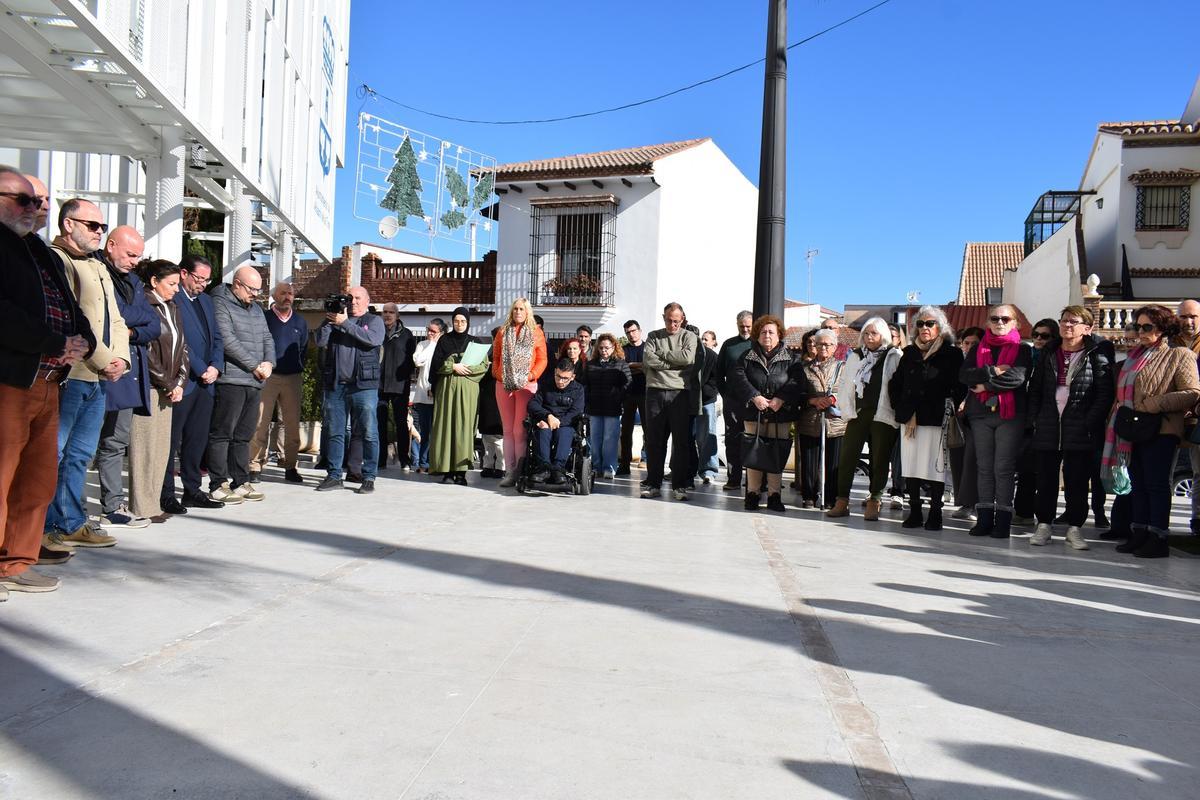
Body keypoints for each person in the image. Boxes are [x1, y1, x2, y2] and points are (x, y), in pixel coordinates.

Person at [0, 167, 93, 595]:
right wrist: (54, 341)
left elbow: (72, 309)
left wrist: (83, 342)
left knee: (36, 480)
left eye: (39, 203)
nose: (35, 210)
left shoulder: (40, 252)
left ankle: (17, 562)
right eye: (24, 200)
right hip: (10, 381)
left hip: (50, 381)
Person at [44, 198, 129, 550]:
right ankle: (46, 526)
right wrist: (105, 358)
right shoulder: (55, 259)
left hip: (97, 378)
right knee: (54, 455)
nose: (99, 232)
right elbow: (72, 318)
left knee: (80, 455)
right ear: (68, 224)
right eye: (92, 225)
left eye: (101, 227)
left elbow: (116, 318)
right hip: (72, 374)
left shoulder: (97, 266)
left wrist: (121, 358)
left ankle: (72, 521)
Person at [1105, 306, 1200, 558]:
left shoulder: (1180, 355)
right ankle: (1139, 533)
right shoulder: (1136, 355)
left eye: (1147, 327)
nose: (1141, 331)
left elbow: (1191, 392)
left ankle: (1158, 537)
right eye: (1138, 326)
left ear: (1163, 328)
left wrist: (1152, 404)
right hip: (1133, 428)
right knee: (1138, 484)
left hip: (1161, 427)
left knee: (1156, 484)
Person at [1026, 306, 1114, 549]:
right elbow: (1035, 388)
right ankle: (1043, 525)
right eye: (1063, 320)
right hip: (1048, 424)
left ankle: (1075, 528)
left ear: (1087, 328)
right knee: (1045, 480)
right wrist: (1034, 418)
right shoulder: (1049, 352)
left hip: (1080, 426)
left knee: (1077, 480)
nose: (1067, 325)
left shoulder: (1096, 353)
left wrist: (1089, 422)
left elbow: (1104, 394)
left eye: (1073, 322)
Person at [95, 225, 156, 529]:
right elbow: (108, 314)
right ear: (111, 245)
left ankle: (112, 505)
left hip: (128, 373)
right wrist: (131, 320)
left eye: (139, 256)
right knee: (83, 444)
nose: (135, 261)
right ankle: (72, 511)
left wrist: (128, 329)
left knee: (116, 442)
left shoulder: (133, 280)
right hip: (97, 370)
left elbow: (153, 323)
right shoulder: (96, 271)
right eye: (131, 254)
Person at [888, 307, 965, 531]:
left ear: (940, 327)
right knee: (911, 467)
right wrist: (899, 406)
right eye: (920, 324)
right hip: (910, 419)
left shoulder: (952, 354)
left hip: (935, 418)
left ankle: (935, 513)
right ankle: (914, 511)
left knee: (934, 468)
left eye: (929, 324)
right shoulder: (910, 352)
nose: (924, 328)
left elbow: (960, 386)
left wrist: (949, 406)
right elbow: (896, 383)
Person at [960, 304, 1033, 539]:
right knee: (984, 468)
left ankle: (1002, 520)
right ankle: (983, 518)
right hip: (980, 414)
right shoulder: (977, 348)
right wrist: (996, 371)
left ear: (1015, 323)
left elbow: (1018, 377)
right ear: (988, 322)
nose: (999, 322)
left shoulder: (1022, 349)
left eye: (1005, 318)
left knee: (1003, 468)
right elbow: (965, 376)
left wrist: (985, 384)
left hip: (1009, 416)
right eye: (995, 318)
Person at [207, 265, 274, 503]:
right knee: (222, 433)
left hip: (254, 381)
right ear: (236, 283)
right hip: (231, 378)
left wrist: (269, 362)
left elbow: (267, 337)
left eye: (259, 290)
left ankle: (240, 480)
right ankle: (218, 483)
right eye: (251, 289)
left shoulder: (255, 308)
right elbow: (227, 340)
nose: (255, 294)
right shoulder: (219, 302)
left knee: (244, 435)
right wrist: (255, 365)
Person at [163, 255, 224, 512]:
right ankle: (165, 494)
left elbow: (218, 337)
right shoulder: (173, 299)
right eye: (200, 279)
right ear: (184, 273)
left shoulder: (207, 302)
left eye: (207, 280)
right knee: (172, 440)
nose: (203, 284)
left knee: (196, 440)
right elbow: (180, 340)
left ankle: (192, 489)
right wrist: (201, 368)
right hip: (184, 380)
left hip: (206, 383)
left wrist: (216, 367)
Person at [129, 260, 189, 522]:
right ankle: (141, 506)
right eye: (171, 284)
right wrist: (167, 382)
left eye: (177, 284)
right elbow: (149, 351)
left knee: (162, 449)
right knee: (144, 448)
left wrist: (180, 382)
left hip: (170, 388)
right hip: (150, 387)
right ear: (154, 281)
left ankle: (154, 504)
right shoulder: (145, 303)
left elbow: (182, 347)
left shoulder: (172, 307)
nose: (176, 289)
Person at [827, 317, 902, 520]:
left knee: (880, 459)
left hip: (883, 414)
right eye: (866, 333)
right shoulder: (856, 355)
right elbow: (845, 384)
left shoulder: (893, 355)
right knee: (848, 457)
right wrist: (844, 408)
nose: (869, 337)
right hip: (858, 413)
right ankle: (842, 501)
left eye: (874, 333)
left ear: (883, 335)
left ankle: (874, 500)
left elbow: (898, 385)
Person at [314, 286, 385, 494]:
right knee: (335, 432)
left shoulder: (374, 321)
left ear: (367, 300)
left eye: (358, 298)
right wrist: (331, 320)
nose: (353, 301)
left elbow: (373, 340)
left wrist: (344, 323)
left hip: (364, 386)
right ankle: (334, 475)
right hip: (337, 385)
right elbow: (319, 340)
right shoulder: (335, 319)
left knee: (369, 432)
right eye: (350, 297)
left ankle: (369, 476)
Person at [731, 315, 802, 512]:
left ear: (779, 334)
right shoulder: (746, 357)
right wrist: (755, 396)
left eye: (771, 332)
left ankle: (774, 495)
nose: (767, 335)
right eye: (763, 332)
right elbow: (738, 378)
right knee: (753, 453)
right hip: (754, 413)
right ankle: (752, 494)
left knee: (776, 454)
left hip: (781, 414)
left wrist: (781, 398)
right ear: (757, 335)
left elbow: (797, 382)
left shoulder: (792, 358)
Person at [249, 282, 308, 483]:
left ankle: (290, 466)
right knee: (260, 422)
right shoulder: (264, 318)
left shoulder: (300, 322)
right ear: (274, 296)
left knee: (291, 424)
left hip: (292, 377)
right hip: (268, 376)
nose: (287, 297)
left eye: (290, 293)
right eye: (283, 293)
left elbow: (304, 349)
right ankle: (255, 466)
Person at [641, 303, 698, 500]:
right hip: (655, 393)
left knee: (681, 443)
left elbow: (688, 358)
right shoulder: (653, 336)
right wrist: (673, 364)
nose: (672, 324)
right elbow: (648, 360)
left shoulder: (689, 336)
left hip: (679, 394)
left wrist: (662, 356)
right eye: (668, 319)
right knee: (654, 442)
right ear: (663, 317)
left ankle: (679, 486)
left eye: (676, 321)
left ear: (682, 320)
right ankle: (653, 484)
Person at [491, 298, 547, 487]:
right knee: (507, 431)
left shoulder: (536, 332)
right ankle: (510, 472)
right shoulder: (502, 331)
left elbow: (542, 359)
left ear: (527, 311)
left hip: (526, 386)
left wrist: (531, 375)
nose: (518, 312)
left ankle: (520, 471)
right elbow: (496, 357)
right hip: (503, 384)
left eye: (521, 309)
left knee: (519, 431)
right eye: (515, 309)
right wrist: (500, 375)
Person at [429, 307, 488, 485]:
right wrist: (453, 367)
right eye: (456, 321)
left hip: (468, 391)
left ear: (468, 323)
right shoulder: (444, 341)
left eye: (463, 321)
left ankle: (461, 472)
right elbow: (436, 364)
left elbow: (483, 367)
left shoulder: (475, 342)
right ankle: (447, 471)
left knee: (464, 428)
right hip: (447, 390)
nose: (459, 324)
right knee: (446, 427)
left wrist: (465, 368)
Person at [1012, 318, 1061, 526]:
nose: (1039, 339)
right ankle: (1023, 512)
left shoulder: (1055, 358)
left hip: (1049, 421)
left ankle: (1043, 516)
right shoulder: (1026, 356)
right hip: (1025, 419)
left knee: (1046, 473)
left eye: (1045, 336)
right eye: (1036, 335)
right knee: (1025, 469)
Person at [796, 329, 845, 509]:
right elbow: (798, 393)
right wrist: (813, 400)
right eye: (820, 344)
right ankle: (808, 495)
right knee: (809, 461)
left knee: (834, 463)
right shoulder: (804, 369)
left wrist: (832, 399)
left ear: (835, 347)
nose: (823, 347)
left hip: (835, 422)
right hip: (810, 419)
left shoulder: (842, 367)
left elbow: (848, 391)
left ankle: (831, 497)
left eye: (827, 344)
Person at [527, 359, 586, 483]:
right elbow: (533, 404)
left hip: (566, 424)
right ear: (555, 372)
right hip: (546, 420)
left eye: (565, 378)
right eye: (558, 376)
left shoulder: (578, 389)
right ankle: (544, 469)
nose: (560, 381)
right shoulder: (545, 385)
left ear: (572, 377)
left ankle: (558, 469)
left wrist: (558, 422)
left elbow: (576, 412)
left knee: (564, 433)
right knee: (543, 431)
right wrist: (547, 416)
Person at [715, 311, 754, 491]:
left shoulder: (759, 344)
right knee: (732, 440)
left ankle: (755, 481)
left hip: (755, 401)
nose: (745, 329)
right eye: (742, 326)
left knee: (754, 440)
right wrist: (726, 395)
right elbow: (718, 373)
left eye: (748, 326)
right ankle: (734, 478)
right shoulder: (729, 345)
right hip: (733, 402)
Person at [585, 333, 632, 478]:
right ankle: (596, 467)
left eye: (607, 347)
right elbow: (584, 384)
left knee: (610, 439)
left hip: (612, 407)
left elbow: (628, 383)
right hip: (595, 407)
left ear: (614, 347)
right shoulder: (591, 364)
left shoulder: (621, 364)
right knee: (595, 439)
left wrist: (617, 396)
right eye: (601, 348)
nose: (604, 350)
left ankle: (609, 467)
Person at [948, 326, 983, 520]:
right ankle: (964, 504)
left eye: (973, 343)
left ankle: (976, 504)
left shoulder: (982, 361)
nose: (969, 346)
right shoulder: (957, 362)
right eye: (966, 343)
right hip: (958, 418)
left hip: (977, 417)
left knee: (973, 461)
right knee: (958, 460)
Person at [377, 302, 415, 471]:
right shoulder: (376, 332)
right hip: (379, 385)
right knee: (380, 423)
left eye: (391, 312)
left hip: (400, 386)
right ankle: (380, 459)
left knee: (401, 423)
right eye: (385, 312)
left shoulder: (407, 335)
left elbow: (412, 360)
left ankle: (404, 460)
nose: (387, 315)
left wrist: (405, 375)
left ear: (397, 316)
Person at [1177, 298, 1200, 534]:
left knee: (1199, 472)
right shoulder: (1169, 343)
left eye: (1193, 316)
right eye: (1184, 316)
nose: (1189, 321)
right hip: (1171, 416)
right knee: (1163, 473)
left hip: (1199, 418)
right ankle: (1157, 523)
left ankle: (1198, 521)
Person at [410, 318, 444, 473]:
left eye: (434, 331)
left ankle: (435, 462)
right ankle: (424, 463)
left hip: (438, 395)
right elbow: (418, 361)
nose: (430, 333)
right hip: (423, 396)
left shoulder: (443, 347)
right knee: (425, 430)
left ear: (441, 333)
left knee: (437, 431)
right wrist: (431, 344)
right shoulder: (422, 345)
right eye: (428, 330)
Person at [617, 319, 647, 476]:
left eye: (633, 331)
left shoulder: (648, 347)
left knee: (648, 429)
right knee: (626, 430)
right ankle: (624, 463)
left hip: (645, 393)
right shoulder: (623, 350)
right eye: (628, 332)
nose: (631, 334)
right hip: (628, 394)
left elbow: (648, 366)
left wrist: (632, 366)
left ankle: (646, 459)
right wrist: (639, 366)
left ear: (640, 331)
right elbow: (622, 368)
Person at [886, 322, 910, 509]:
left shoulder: (904, 356)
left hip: (899, 413)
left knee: (899, 455)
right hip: (881, 412)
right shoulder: (876, 357)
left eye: (892, 336)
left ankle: (898, 491)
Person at [694, 329, 721, 484]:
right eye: (702, 339)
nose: (703, 341)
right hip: (689, 402)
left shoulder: (714, 358)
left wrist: (705, 392)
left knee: (708, 436)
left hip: (706, 402)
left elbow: (716, 381)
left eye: (706, 339)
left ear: (713, 342)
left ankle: (709, 470)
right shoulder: (694, 356)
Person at [478, 328, 504, 478]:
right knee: (487, 436)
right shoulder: (487, 356)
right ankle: (487, 465)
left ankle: (501, 467)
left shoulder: (508, 356)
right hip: (487, 398)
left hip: (502, 398)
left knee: (500, 438)